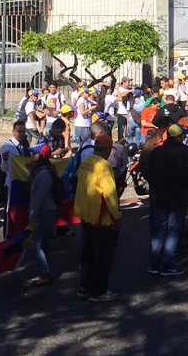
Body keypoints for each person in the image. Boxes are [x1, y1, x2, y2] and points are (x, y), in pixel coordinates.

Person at [143, 124, 188, 276]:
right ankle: (168, 264)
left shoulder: (156, 152)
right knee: (173, 231)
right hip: (178, 197)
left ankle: (155, 264)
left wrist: (157, 185)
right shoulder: (185, 153)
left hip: (160, 196)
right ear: (179, 137)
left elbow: (147, 173)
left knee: (159, 230)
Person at [74, 126, 121, 302]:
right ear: (108, 149)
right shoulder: (104, 166)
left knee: (87, 256)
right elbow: (110, 195)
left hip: (85, 216)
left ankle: (84, 287)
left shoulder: (87, 162)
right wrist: (117, 217)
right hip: (101, 220)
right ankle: (99, 291)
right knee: (102, 258)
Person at [27, 145, 58, 287]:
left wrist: (33, 215)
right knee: (43, 243)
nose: (32, 157)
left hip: (44, 212)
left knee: (36, 244)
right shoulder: (42, 171)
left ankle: (45, 273)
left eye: (35, 155)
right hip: (46, 211)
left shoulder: (44, 174)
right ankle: (43, 272)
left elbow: (39, 197)